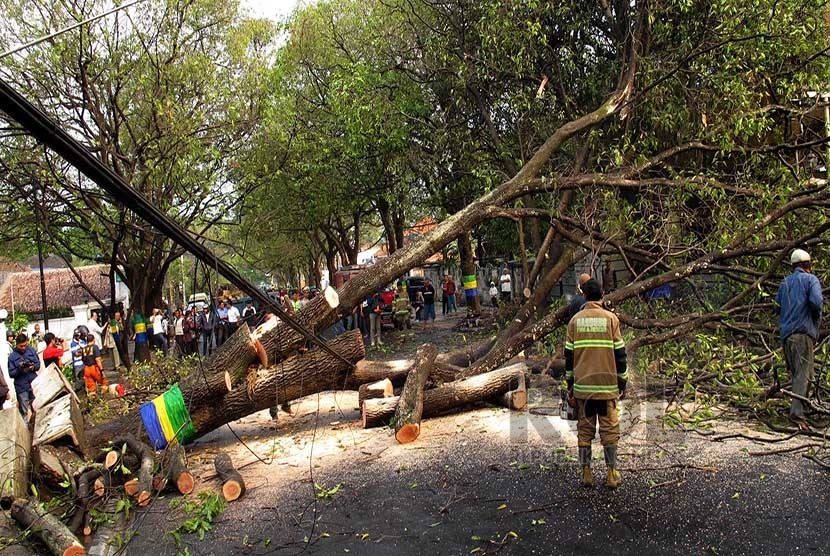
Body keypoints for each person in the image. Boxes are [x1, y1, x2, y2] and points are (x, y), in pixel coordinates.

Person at [564, 279, 627, 489]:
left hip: (583, 388)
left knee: (585, 430)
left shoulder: (574, 321)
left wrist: (570, 383)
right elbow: (620, 354)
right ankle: (611, 474)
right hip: (607, 387)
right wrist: (622, 380)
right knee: (609, 430)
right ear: (602, 295)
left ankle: (586, 474)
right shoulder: (611, 319)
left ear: (583, 295)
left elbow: (569, 356)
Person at [776, 249, 823, 430]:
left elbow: (777, 307)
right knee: (804, 374)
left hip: (786, 335)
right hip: (803, 334)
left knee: (796, 373)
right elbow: (816, 302)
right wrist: (815, 320)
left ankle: (800, 409)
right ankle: (796, 416)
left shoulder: (785, 283)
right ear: (808, 265)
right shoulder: (811, 280)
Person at [8, 333, 41, 418]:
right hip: (22, 387)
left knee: (39, 408)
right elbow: (11, 374)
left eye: (25, 345)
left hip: (34, 384)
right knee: (24, 413)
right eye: (21, 346)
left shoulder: (31, 350)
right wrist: (19, 368)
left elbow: (38, 364)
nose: (23, 348)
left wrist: (33, 367)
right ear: (17, 344)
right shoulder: (12, 357)